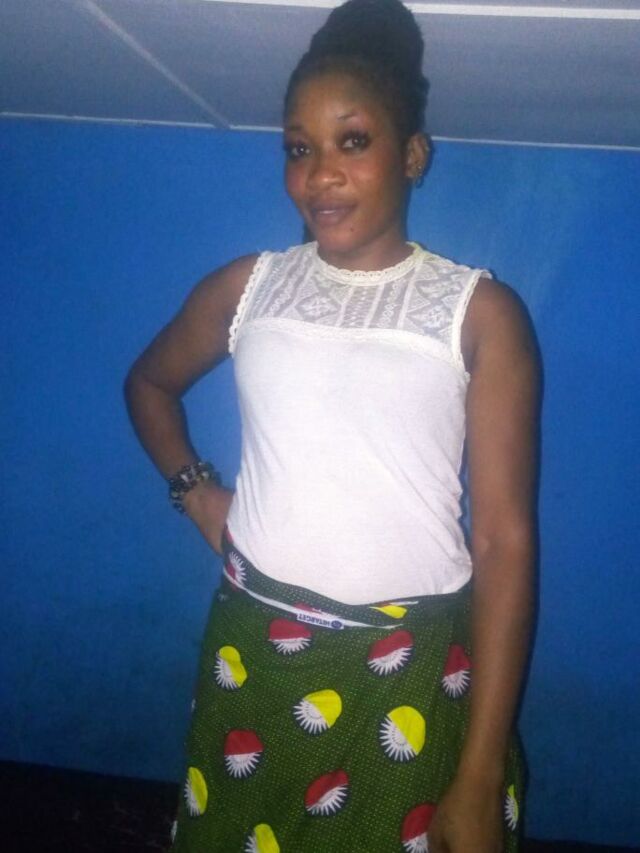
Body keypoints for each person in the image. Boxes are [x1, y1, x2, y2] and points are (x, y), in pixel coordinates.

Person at [125, 0, 539, 850]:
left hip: (409, 672)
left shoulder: (476, 312)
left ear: (412, 154)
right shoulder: (250, 287)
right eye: (298, 148)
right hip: (251, 653)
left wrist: (478, 771)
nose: (320, 174)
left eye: (352, 141)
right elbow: (149, 383)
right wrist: (197, 494)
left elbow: (504, 542)